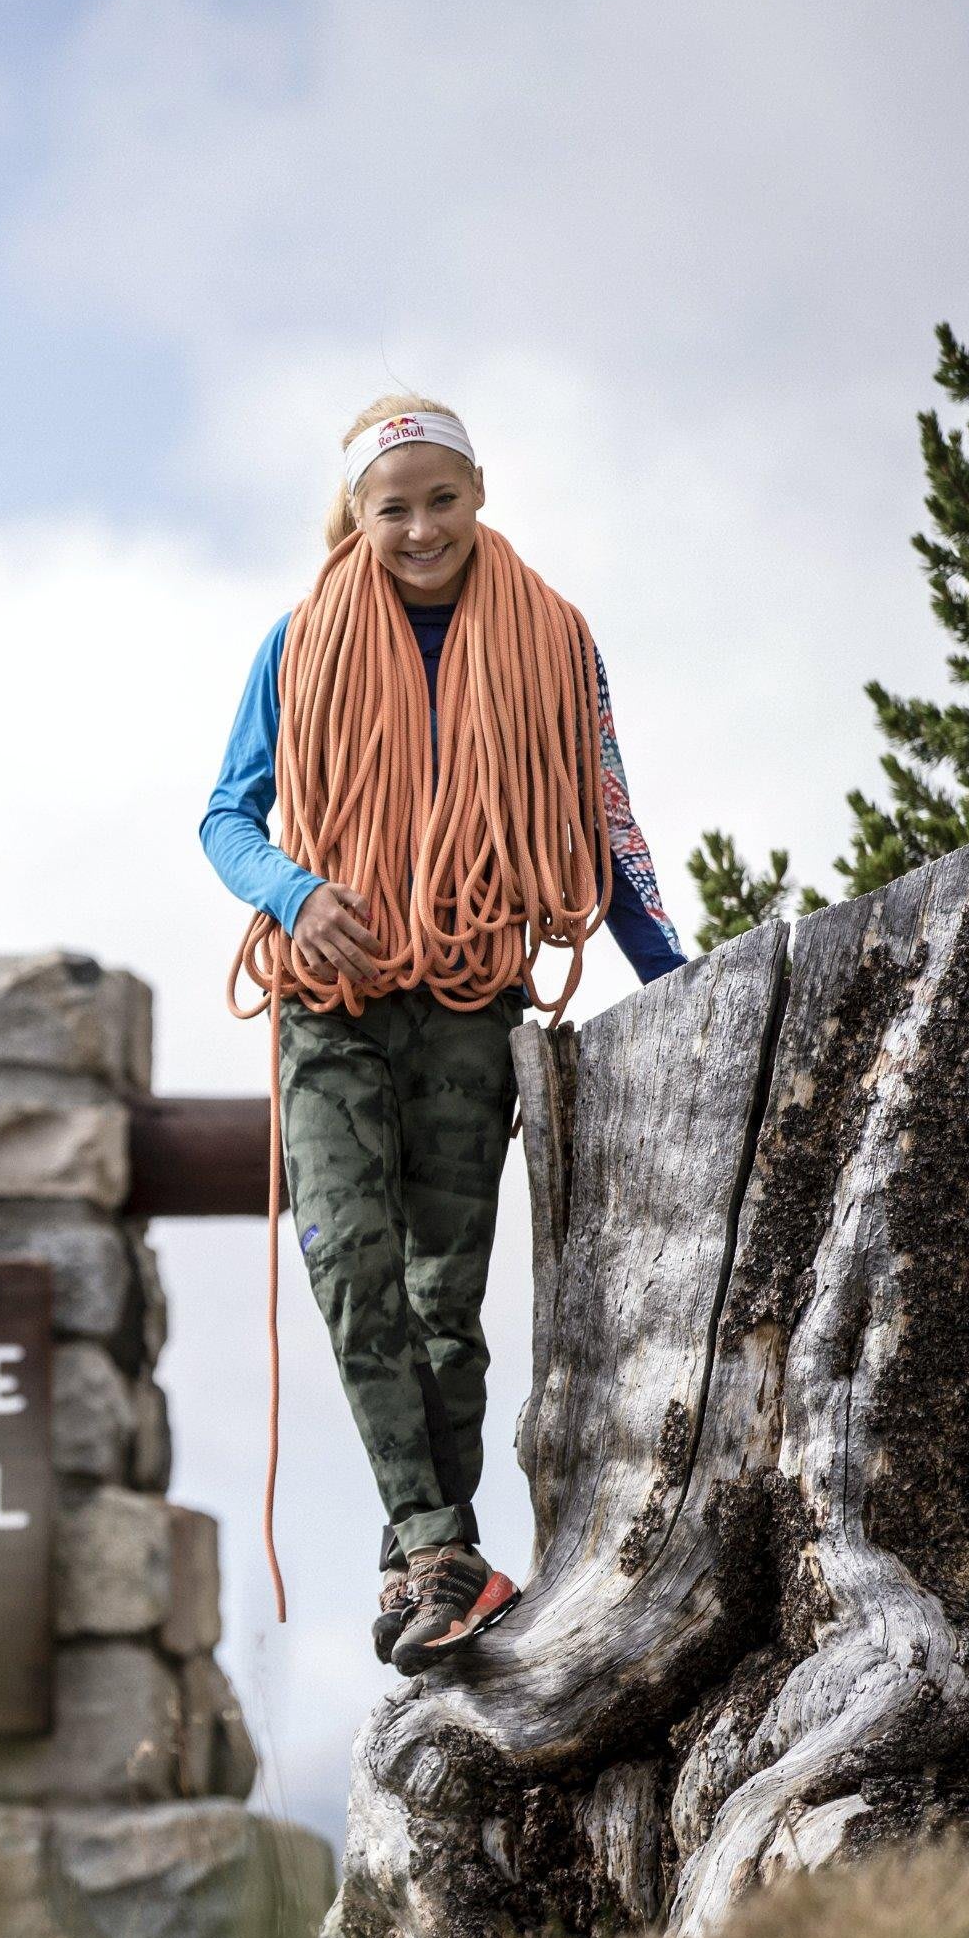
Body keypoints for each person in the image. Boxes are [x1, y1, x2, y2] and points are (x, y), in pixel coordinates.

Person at [199, 394, 687, 1676]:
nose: (420, 528)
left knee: (443, 1305)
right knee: (349, 1267)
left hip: (472, 998)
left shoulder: (553, 642)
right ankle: (435, 1546)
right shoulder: (296, 644)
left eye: (442, 500)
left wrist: (674, 976)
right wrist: (295, 894)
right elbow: (224, 820)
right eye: (391, 506)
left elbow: (601, 817)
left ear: (477, 495)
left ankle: (427, 1567)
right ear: (354, 516)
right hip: (332, 1003)